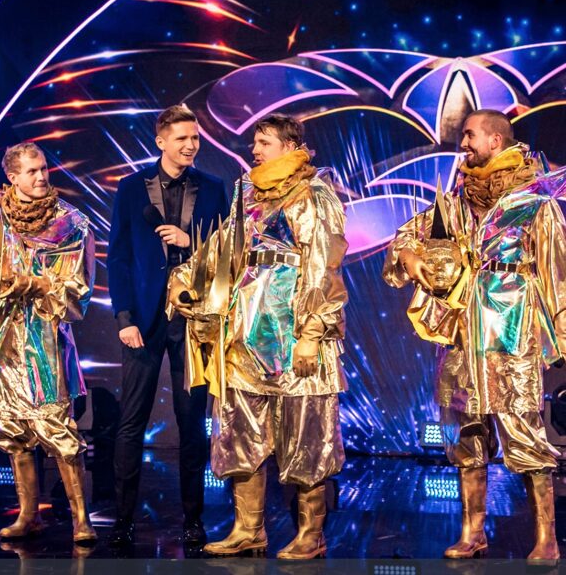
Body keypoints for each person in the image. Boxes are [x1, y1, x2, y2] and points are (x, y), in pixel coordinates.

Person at [383, 109, 566, 563]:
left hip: (510, 332)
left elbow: (558, 272)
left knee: (524, 432)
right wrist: (409, 256)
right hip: (461, 333)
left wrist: (561, 335)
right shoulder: (456, 201)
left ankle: (546, 538)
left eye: (469, 135)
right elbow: (406, 237)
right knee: (465, 433)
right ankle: (472, 532)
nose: (463, 144)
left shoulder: (534, 200)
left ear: (495, 141)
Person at [169, 113, 348, 559]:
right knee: (240, 433)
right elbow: (221, 248)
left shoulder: (314, 194)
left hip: (294, 336)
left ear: (291, 146)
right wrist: (186, 277)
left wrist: (312, 333)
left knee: (307, 436)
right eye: (255, 142)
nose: (255, 149)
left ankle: (311, 534)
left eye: (264, 141)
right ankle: (249, 529)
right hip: (246, 333)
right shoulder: (247, 193)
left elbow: (324, 268)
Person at [107, 105, 229, 546]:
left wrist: (190, 240)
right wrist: (124, 317)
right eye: (182, 138)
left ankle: (193, 520)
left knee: (191, 423)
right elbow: (118, 257)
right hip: (143, 319)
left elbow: (227, 254)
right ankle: (123, 520)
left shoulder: (214, 188)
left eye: (195, 138)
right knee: (131, 421)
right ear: (161, 141)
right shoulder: (131, 187)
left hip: (192, 321)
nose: (191, 145)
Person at [0, 142, 96, 544]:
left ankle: (81, 519)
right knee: (11, 428)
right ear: (12, 177)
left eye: (43, 169)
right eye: (32, 171)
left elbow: (77, 288)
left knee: (58, 428)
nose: (41, 176)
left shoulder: (69, 223)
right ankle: (28, 515)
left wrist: (32, 283)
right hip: (3, 342)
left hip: (44, 340)